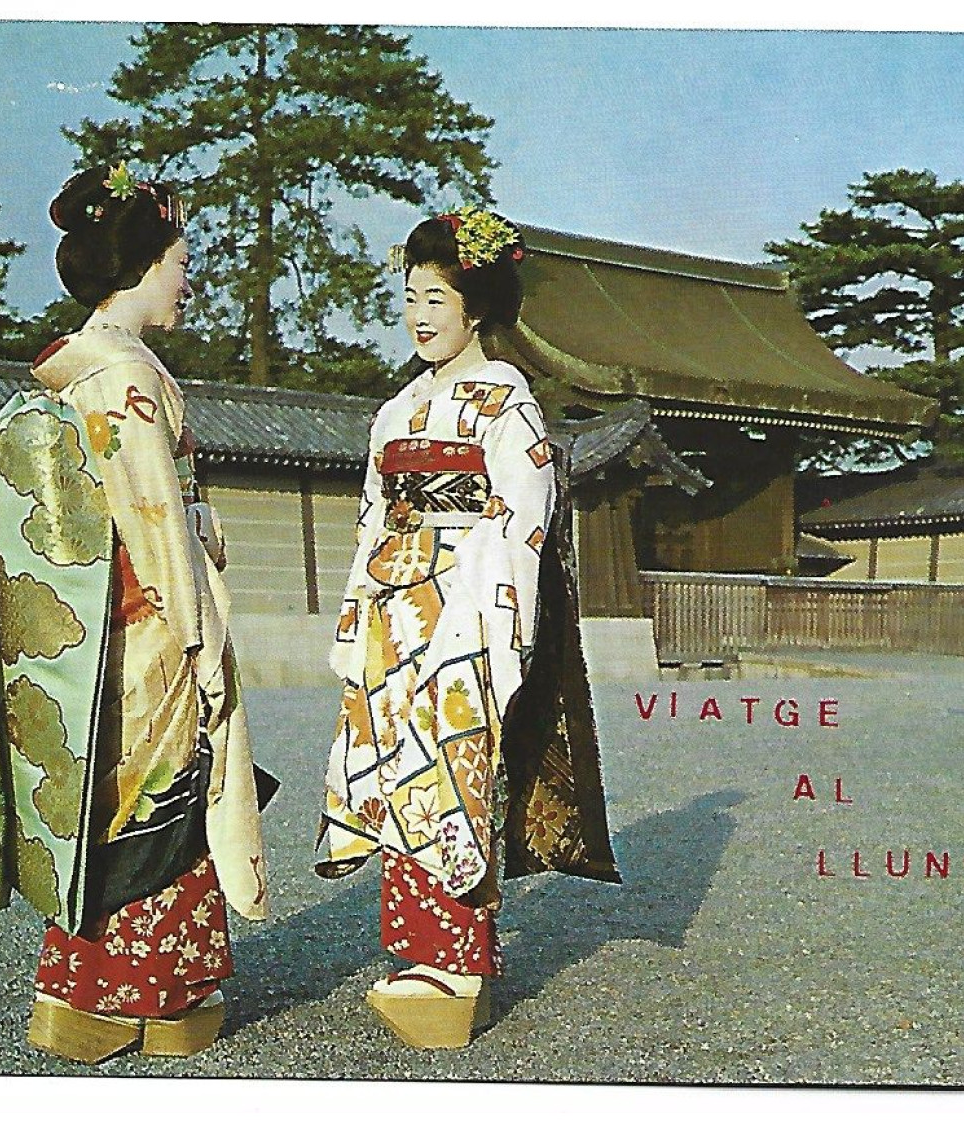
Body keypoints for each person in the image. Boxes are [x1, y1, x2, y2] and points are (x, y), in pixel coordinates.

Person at [0, 163, 273, 1064]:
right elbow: (151, 524)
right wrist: (200, 641)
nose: (188, 278)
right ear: (144, 264)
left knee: (99, 804)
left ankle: (78, 992)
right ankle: (153, 1000)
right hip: (149, 639)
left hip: (91, 641)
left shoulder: (74, 372)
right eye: (181, 259)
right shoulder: (130, 381)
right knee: (167, 803)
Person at [317, 207, 620, 1049]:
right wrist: (359, 614)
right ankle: (420, 953)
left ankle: (455, 961)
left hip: (465, 602)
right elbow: (374, 516)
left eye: (436, 300)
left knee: (448, 771)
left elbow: (524, 516)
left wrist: (491, 624)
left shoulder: (506, 401)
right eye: (410, 297)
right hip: (392, 610)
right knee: (395, 768)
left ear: (476, 306)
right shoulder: (396, 409)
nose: (418, 316)